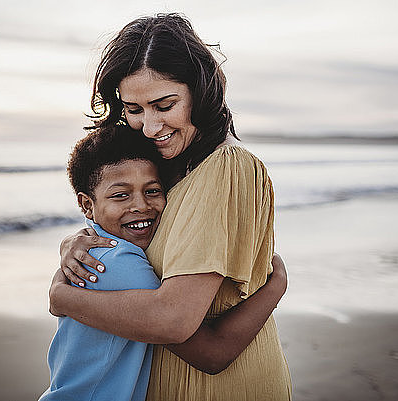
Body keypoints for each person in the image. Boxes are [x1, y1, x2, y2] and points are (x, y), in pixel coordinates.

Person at [50, 13, 292, 400]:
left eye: (164, 105)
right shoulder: (174, 170)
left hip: (221, 389)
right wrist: (82, 239)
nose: (149, 126)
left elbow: (175, 320)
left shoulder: (226, 169)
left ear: (200, 92)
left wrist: (63, 298)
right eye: (134, 109)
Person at [40, 125, 287, 401]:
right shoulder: (120, 265)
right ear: (87, 205)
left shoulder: (95, 248)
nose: (140, 206)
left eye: (153, 190)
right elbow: (212, 353)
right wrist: (276, 285)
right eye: (121, 195)